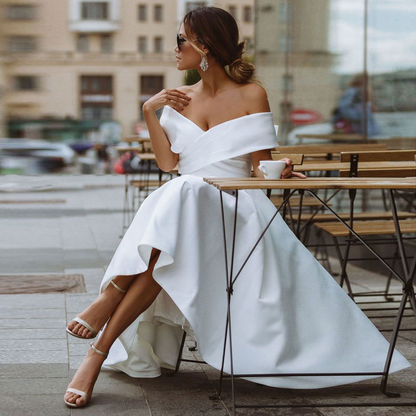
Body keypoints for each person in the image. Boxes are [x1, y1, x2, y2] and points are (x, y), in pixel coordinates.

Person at [64, 7, 409, 408]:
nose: (173, 49)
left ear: (204, 46)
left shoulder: (251, 94)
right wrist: (149, 111)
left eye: (180, 41)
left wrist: (280, 173)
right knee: (185, 196)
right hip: (186, 211)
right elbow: (167, 165)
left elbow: (261, 169)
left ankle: (108, 308)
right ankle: (97, 352)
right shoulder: (177, 100)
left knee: (184, 197)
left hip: (237, 208)